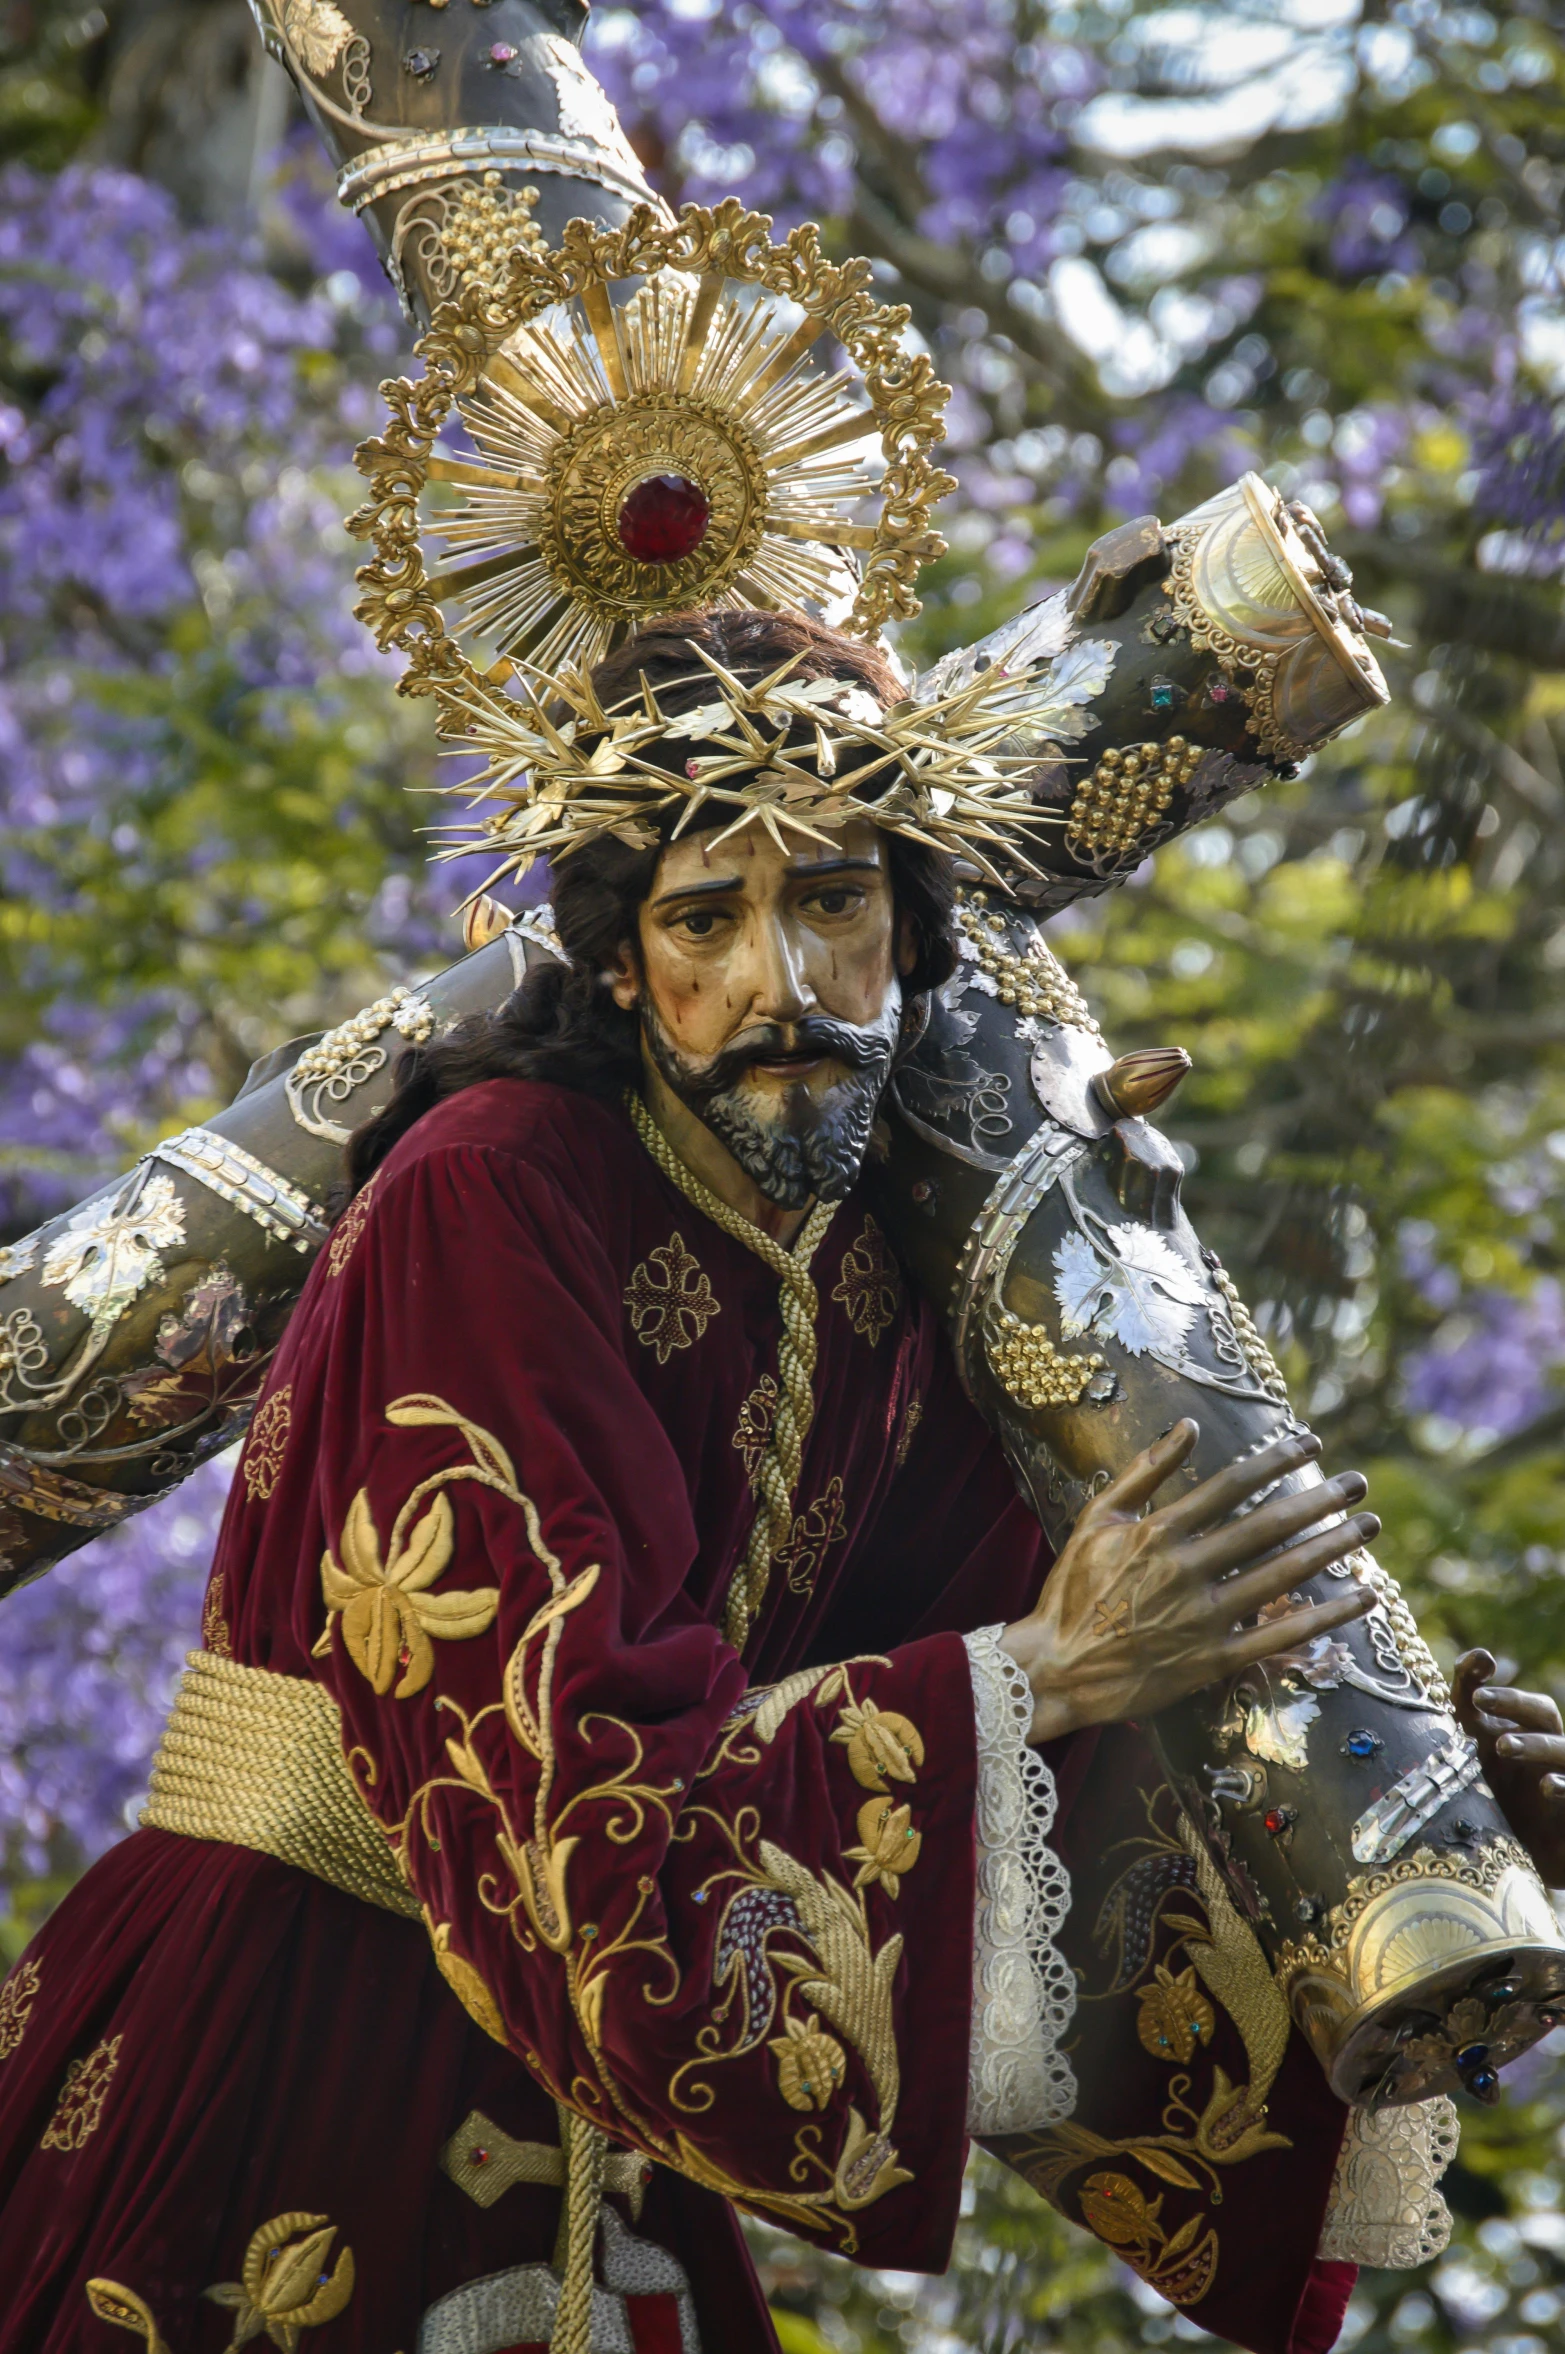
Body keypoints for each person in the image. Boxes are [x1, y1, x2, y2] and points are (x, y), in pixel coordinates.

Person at [0, 604, 1554, 2354]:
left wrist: (1389, 1827)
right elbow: (558, 1789)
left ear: (910, 925)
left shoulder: (877, 1256)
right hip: (299, 2036)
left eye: (830, 902)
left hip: (605, 2121)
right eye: (703, 918)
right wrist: (1042, 1670)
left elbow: (1080, 1744)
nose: (781, 983)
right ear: (611, 959)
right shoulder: (487, 1191)